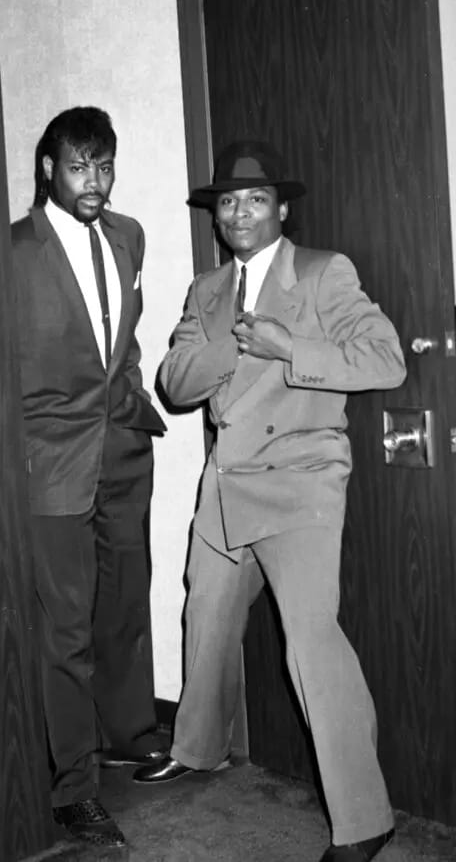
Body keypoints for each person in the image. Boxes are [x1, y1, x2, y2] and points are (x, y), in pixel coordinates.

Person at [134, 140, 406, 862]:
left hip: (301, 479)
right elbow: (175, 382)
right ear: (217, 217)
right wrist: (229, 344)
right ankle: (197, 749)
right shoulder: (206, 291)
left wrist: (289, 346)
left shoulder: (322, 273)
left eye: (255, 199)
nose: (239, 211)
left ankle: (366, 816)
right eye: (227, 201)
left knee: (311, 642)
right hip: (228, 480)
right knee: (207, 617)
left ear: (281, 209)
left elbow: (386, 357)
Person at [11, 106, 166, 849]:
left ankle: (132, 728)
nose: (95, 181)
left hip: (122, 449)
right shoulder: (9, 250)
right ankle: (73, 786)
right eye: (80, 166)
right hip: (52, 460)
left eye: (104, 164)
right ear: (49, 168)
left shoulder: (129, 234)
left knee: (126, 601)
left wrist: (135, 411)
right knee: (65, 627)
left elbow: (121, 342)